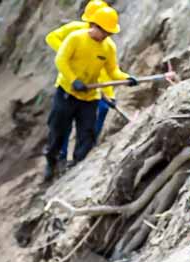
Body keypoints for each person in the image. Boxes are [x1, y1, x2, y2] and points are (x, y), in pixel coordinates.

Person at [45, 6, 137, 180]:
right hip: (66, 93)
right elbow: (61, 60)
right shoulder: (76, 38)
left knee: (87, 134)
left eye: (109, 33)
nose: (106, 36)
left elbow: (112, 71)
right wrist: (73, 80)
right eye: (104, 31)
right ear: (94, 25)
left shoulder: (108, 47)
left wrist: (127, 78)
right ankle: (52, 162)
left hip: (90, 97)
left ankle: (77, 166)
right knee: (58, 130)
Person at [44, 0, 117, 165]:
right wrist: (70, 57)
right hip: (69, 88)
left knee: (90, 127)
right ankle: (57, 158)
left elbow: (107, 72)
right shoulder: (76, 32)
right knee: (60, 126)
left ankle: (81, 158)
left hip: (91, 92)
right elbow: (53, 42)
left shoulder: (106, 46)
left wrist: (110, 94)